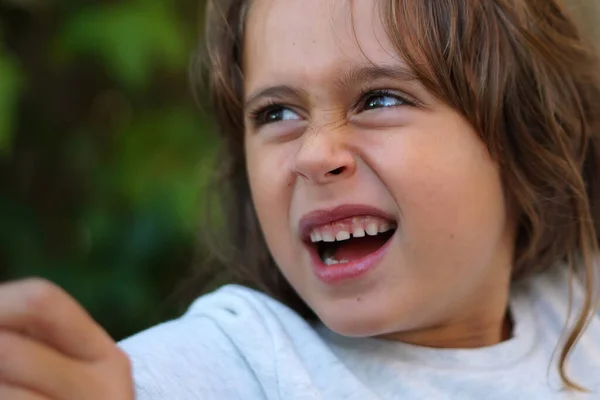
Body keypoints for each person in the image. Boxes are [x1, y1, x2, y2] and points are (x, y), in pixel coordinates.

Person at [1, 0, 600, 398]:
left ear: (531, 135)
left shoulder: (576, 307)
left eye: (381, 99)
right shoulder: (243, 361)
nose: (314, 154)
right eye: (277, 113)